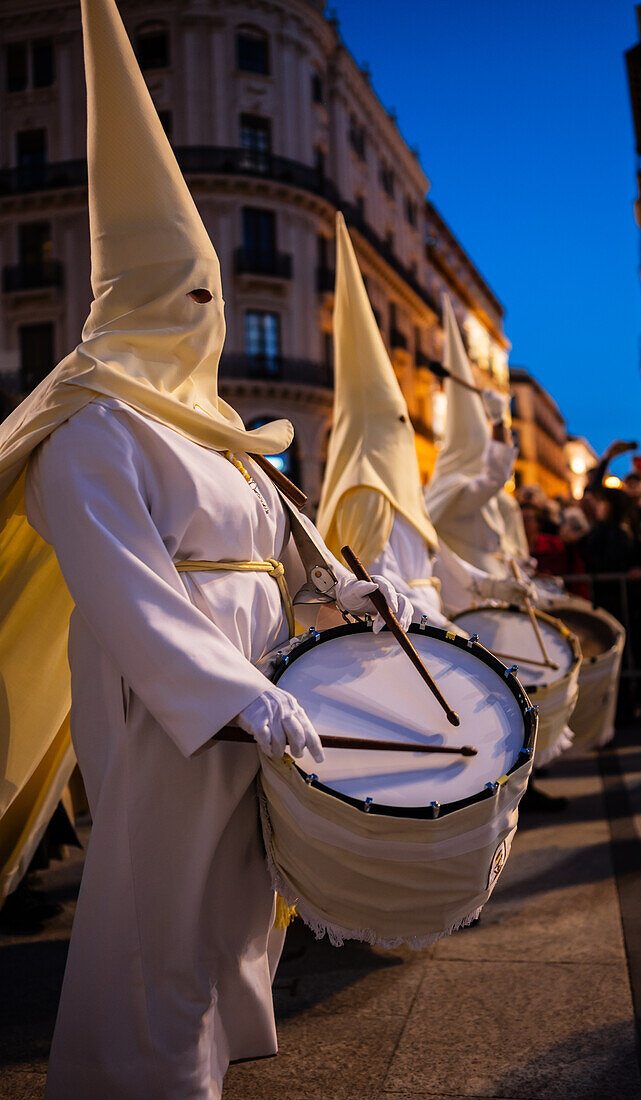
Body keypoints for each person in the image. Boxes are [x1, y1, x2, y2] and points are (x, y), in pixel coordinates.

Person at [0, 3, 412, 1096]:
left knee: (239, 885)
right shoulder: (92, 426)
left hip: (255, 682)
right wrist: (223, 686)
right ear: (127, 299)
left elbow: (285, 541)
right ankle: (140, 1072)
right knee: (159, 896)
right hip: (168, 694)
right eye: (182, 294)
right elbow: (124, 583)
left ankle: (225, 1038)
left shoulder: (222, 436)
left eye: (211, 294)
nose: (204, 313)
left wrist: (353, 595)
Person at [317, 216, 457, 630]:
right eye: (397, 421)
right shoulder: (367, 494)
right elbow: (384, 591)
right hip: (406, 647)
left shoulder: (397, 495)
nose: (406, 432)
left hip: (430, 633)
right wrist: (456, 637)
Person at [423, 294, 533, 615]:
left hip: (489, 598)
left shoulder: (458, 490)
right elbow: (495, 477)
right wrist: (499, 422)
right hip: (473, 605)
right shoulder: (459, 491)